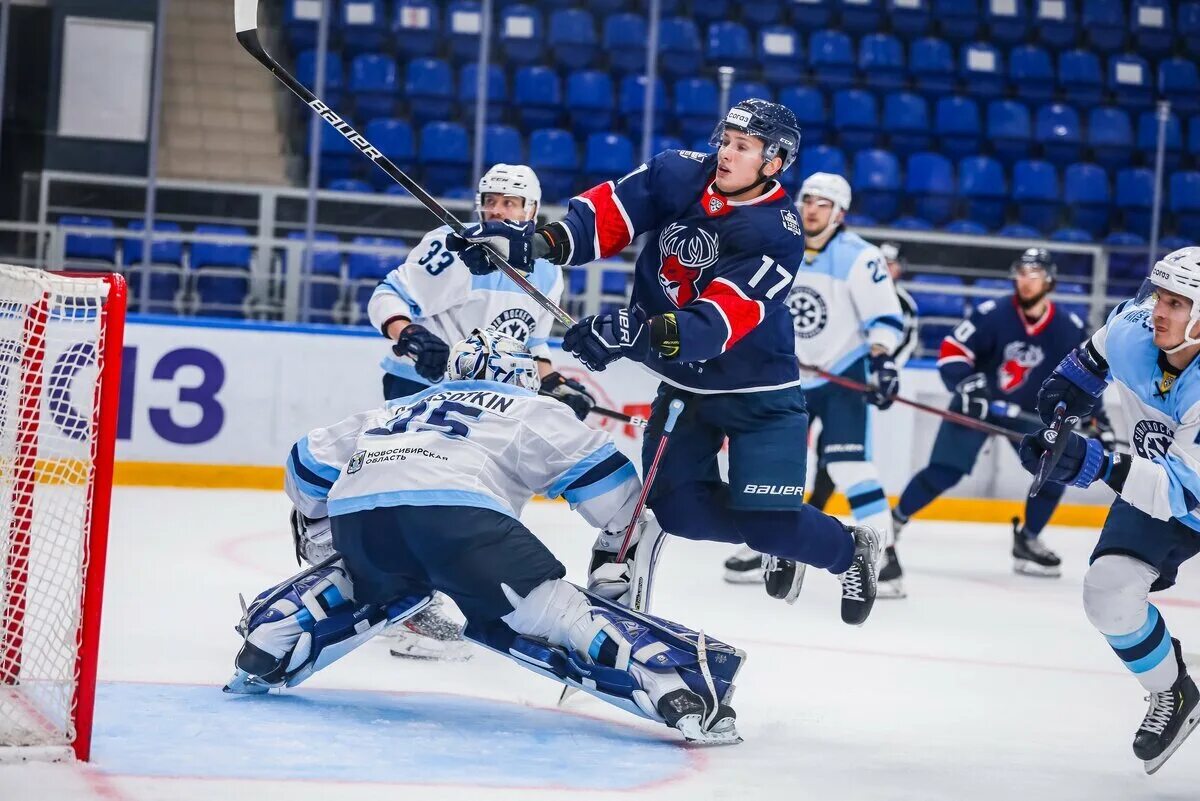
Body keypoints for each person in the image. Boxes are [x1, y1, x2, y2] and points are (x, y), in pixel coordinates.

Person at [446, 99, 883, 625]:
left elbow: (716, 325)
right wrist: (531, 244)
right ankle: (779, 532)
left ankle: (846, 546)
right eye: (726, 140)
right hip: (685, 391)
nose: (725, 153)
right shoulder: (679, 172)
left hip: (758, 397)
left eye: (743, 148)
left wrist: (633, 333)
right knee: (678, 512)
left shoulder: (777, 232)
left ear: (773, 162)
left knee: (769, 524)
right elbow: (608, 217)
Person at [225, 330, 743, 745]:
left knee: (379, 576)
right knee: (559, 615)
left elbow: (306, 465)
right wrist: (613, 576)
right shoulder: (535, 409)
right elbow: (623, 507)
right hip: (462, 526)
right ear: (524, 378)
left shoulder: (394, 409)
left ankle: (275, 634)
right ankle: (670, 686)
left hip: (361, 522)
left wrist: (328, 534)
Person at [366, 164, 595, 658]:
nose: (497, 210)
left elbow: (530, 343)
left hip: (483, 400)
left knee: (472, 501)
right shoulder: (452, 245)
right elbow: (387, 295)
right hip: (420, 385)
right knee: (423, 499)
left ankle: (436, 597)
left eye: (510, 203)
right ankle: (406, 608)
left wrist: (553, 381)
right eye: (490, 200)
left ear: (532, 212)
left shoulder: (547, 269)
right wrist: (408, 334)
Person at [1018, 247, 1200, 773]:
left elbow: (1185, 495)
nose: (1159, 312)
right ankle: (1173, 691)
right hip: (1163, 486)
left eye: (1178, 303)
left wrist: (1095, 463)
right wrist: (1058, 423)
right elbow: (1076, 377)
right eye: (1159, 297)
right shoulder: (1135, 326)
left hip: (1186, 488)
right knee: (1108, 593)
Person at [721, 184, 907, 588]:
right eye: (807, 200)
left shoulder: (860, 257)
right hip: (787, 375)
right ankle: (769, 546)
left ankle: (885, 557)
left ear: (839, 213)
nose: (812, 210)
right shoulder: (780, 244)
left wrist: (883, 362)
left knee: (848, 466)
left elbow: (885, 318)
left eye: (823, 204)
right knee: (774, 465)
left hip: (843, 372)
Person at [887, 248, 1098, 596]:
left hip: (1032, 414)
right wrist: (964, 384)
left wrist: (1094, 416)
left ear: (1049, 281)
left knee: (1054, 469)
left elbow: (1087, 377)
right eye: (1021, 271)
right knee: (944, 470)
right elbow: (953, 350)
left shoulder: (1067, 327)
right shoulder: (993, 313)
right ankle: (894, 522)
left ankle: (1028, 540)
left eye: (1034, 273)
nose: (1025, 279)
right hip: (978, 407)